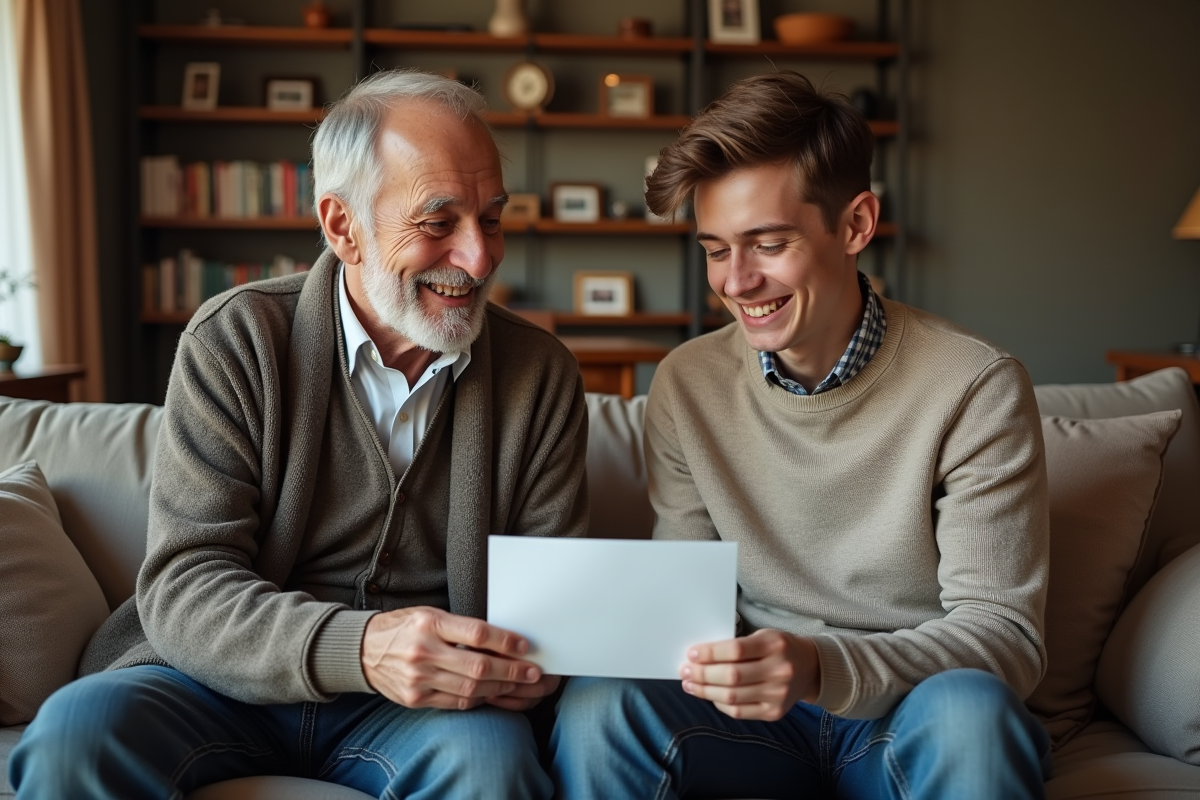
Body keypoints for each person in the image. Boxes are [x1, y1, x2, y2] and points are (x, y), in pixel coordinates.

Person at [9, 70, 588, 800]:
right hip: (215, 681)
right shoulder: (236, 339)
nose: (479, 258)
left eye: (493, 219)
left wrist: (527, 658)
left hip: (424, 707)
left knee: (494, 769)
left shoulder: (540, 375)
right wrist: (363, 647)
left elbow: (548, 603)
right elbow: (186, 587)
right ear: (343, 226)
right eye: (439, 223)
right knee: (73, 738)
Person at [550, 71, 1052, 799]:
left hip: (911, 709)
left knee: (972, 715)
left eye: (768, 243)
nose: (738, 282)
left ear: (856, 225)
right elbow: (686, 602)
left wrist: (821, 666)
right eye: (716, 249)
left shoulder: (976, 386)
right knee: (602, 706)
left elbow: (1005, 638)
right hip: (749, 721)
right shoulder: (687, 383)